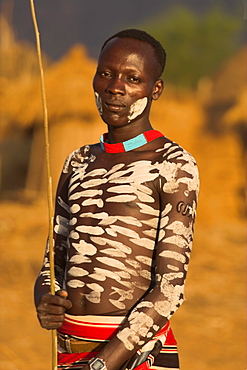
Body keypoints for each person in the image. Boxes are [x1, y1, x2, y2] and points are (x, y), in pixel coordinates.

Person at [34, 29, 199, 370]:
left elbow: (169, 289)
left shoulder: (173, 165)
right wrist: (44, 300)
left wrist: (102, 365)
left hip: (133, 356)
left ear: (155, 90)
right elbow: (53, 261)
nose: (115, 87)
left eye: (132, 78)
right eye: (106, 74)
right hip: (70, 351)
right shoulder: (77, 162)